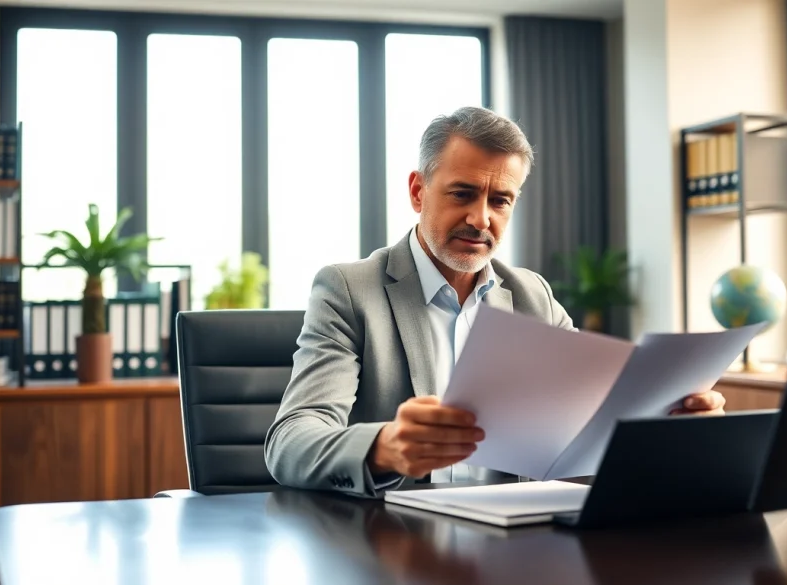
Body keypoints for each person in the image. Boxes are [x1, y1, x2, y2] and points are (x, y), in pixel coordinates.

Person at [263, 106, 726, 498]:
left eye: (500, 200)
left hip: (511, 544)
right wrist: (384, 448)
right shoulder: (348, 289)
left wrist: (668, 414)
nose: (480, 218)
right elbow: (290, 442)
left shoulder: (532, 296)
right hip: (392, 545)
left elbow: (597, 410)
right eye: (463, 193)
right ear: (418, 191)